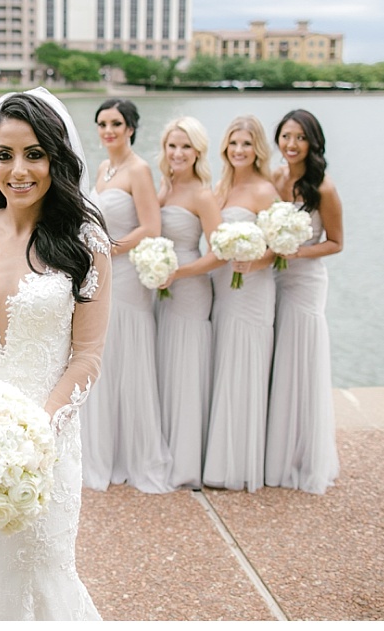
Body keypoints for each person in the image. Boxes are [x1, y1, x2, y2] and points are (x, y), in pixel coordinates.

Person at [0, 88, 111, 621]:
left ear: (56, 156)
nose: (18, 170)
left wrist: (37, 427)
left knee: (40, 569)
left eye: (34, 154)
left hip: (45, 435)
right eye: (4, 155)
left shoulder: (86, 240)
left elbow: (87, 356)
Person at [82, 98, 173, 493]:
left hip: (126, 275)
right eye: (102, 123)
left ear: (131, 128)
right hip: (101, 273)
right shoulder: (102, 169)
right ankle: (106, 448)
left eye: (116, 123)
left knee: (126, 356)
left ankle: (133, 453)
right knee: (105, 357)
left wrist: (109, 248)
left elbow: (151, 226)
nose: (108, 130)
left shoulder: (138, 170)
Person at [265, 110, 343, 494]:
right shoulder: (274, 177)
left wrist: (295, 252)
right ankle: (272, 451)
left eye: (299, 138)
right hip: (271, 276)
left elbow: (336, 242)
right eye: (285, 136)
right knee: (276, 358)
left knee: (300, 358)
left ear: (312, 143)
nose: (291, 144)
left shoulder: (323, 187)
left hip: (305, 280)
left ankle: (303, 456)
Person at [203, 115, 278, 493]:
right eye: (233, 143)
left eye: (246, 144)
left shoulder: (266, 191)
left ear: (257, 149)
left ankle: (238, 463)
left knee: (243, 363)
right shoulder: (220, 187)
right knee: (223, 362)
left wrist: (255, 260)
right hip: (222, 286)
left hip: (253, 289)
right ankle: (216, 456)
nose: (238, 150)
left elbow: (280, 248)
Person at [153, 117, 222, 491]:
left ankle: (187, 461)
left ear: (198, 152)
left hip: (190, 288)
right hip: (160, 287)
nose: (177, 153)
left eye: (185, 147)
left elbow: (219, 254)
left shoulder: (202, 194)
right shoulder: (163, 187)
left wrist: (179, 272)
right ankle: (161, 449)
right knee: (165, 365)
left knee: (186, 367)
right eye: (172, 146)